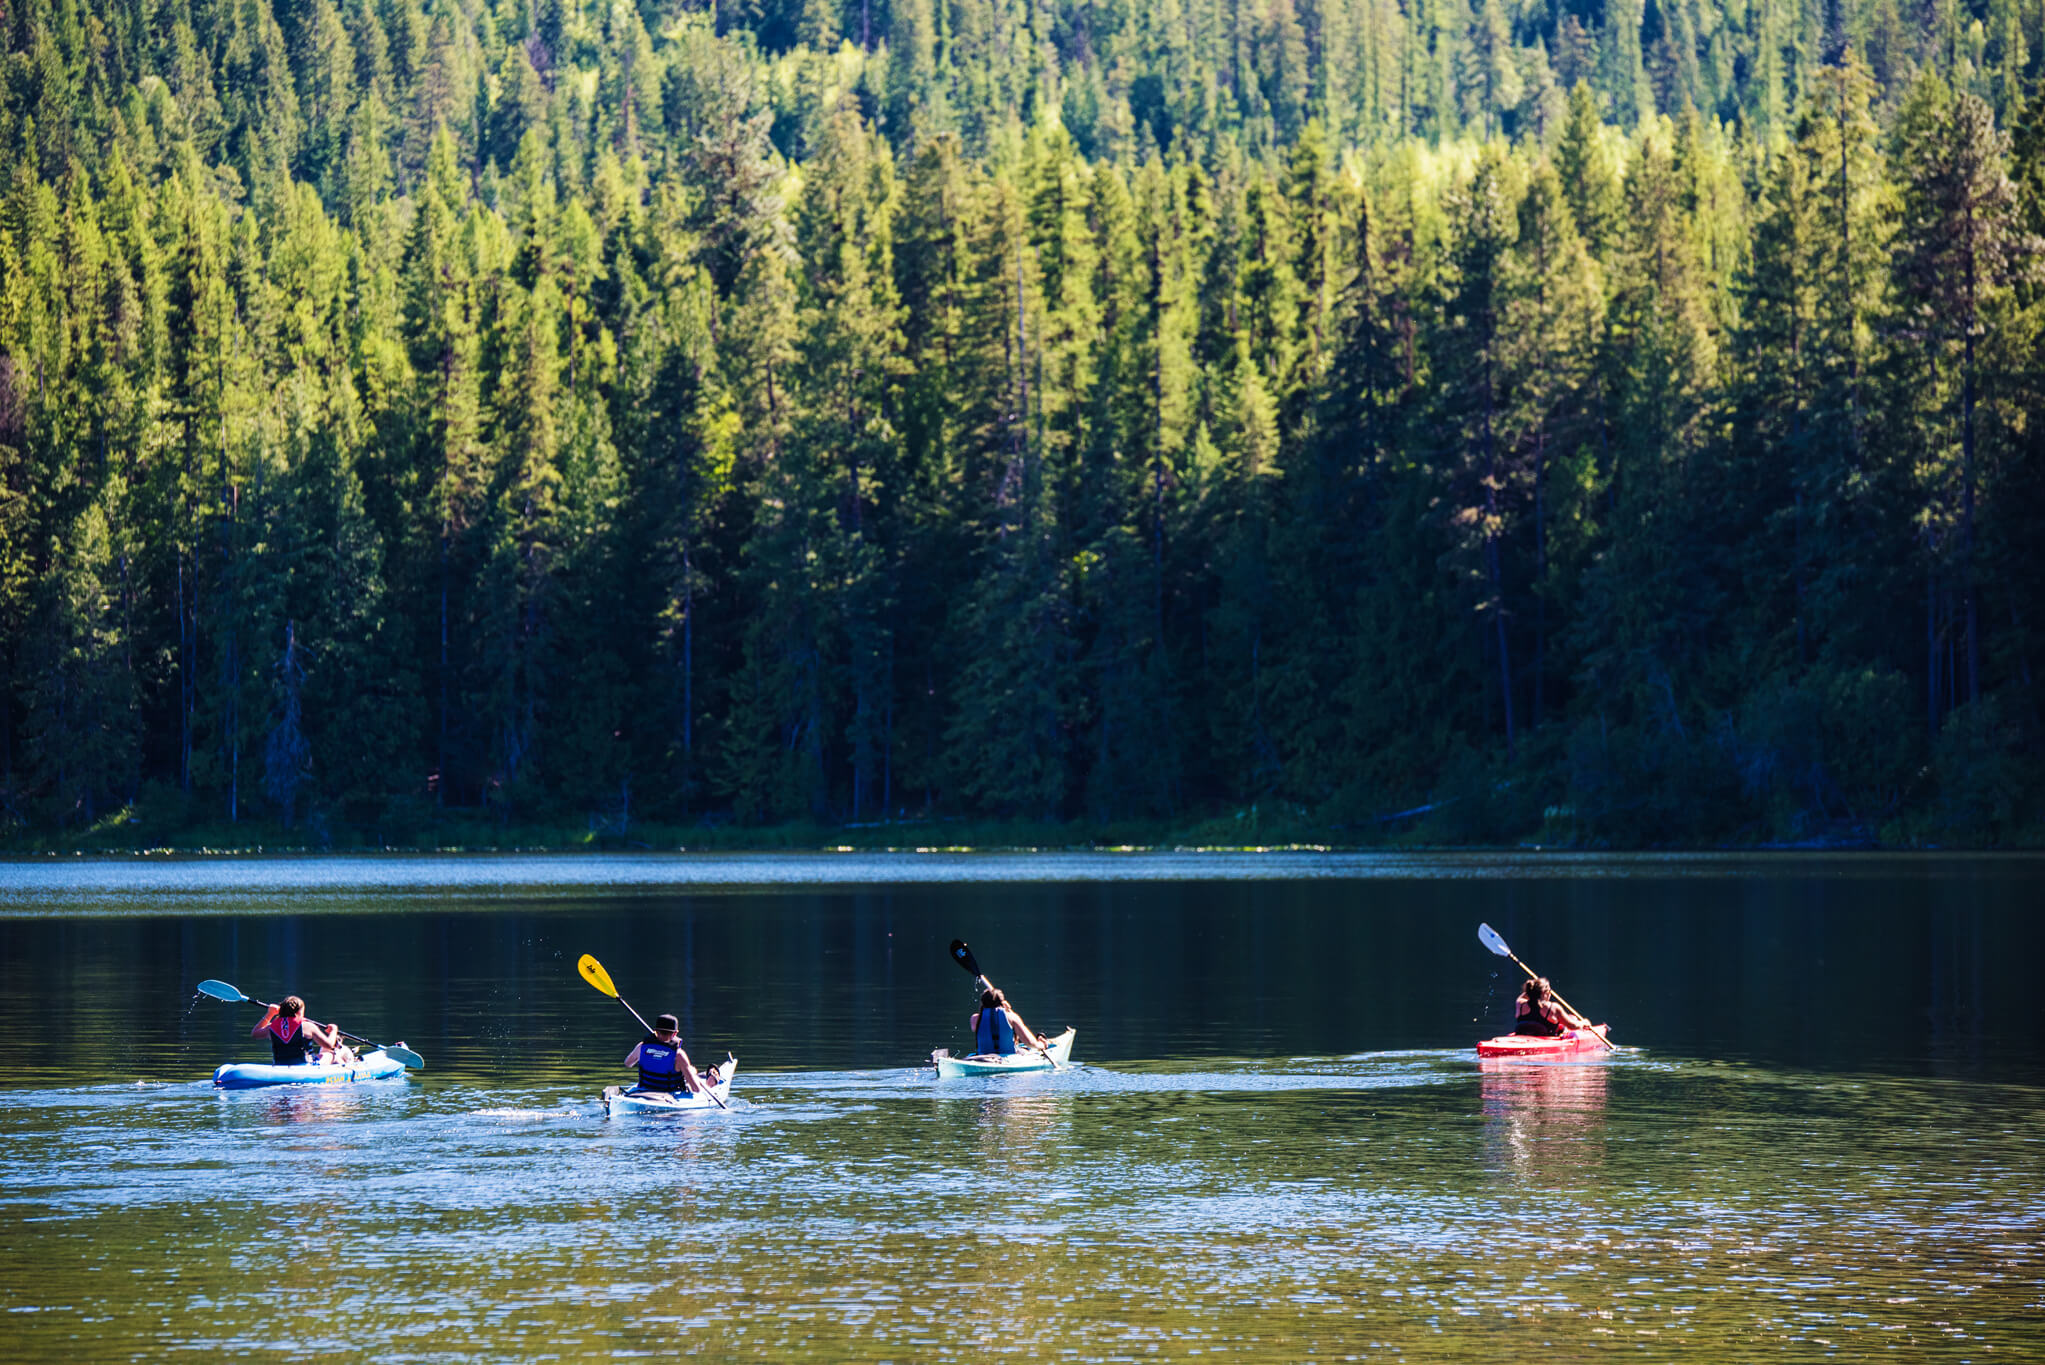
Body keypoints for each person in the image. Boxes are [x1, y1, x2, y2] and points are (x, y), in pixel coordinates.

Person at [253, 996, 353, 1066]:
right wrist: (334, 1030)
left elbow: (255, 1033)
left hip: (280, 1065)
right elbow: (329, 1045)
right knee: (331, 1055)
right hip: (306, 1066)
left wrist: (269, 1014)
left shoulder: (271, 1027)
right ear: (300, 1012)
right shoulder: (308, 1026)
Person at [624, 1013, 708, 1095]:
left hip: (643, 1091)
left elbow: (627, 1064)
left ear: (656, 1031)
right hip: (669, 1095)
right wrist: (692, 1073)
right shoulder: (679, 1055)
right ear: (675, 1033)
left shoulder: (642, 1047)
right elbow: (696, 1089)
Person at [968, 984, 1044, 1057]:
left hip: (983, 1056)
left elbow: (992, 1017)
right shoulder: (1012, 1017)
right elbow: (1030, 1043)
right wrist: (1041, 1044)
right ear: (1002, 1002)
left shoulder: (974, 1019)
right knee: (1027, 1050)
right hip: (1008, 1057)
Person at [1513, 977, 1592, 1037]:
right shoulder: (1553, 1008)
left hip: (1523, 1037)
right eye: (1550, 991)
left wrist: (1534, 987)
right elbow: (1572, 1026)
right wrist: (1583, 1022)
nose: (1550, 994)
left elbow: (1526, 994)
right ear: (1544, 992)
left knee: (1570, 1018)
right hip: (1545, 1042)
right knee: (1572, 1020)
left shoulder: (1520, 1004)